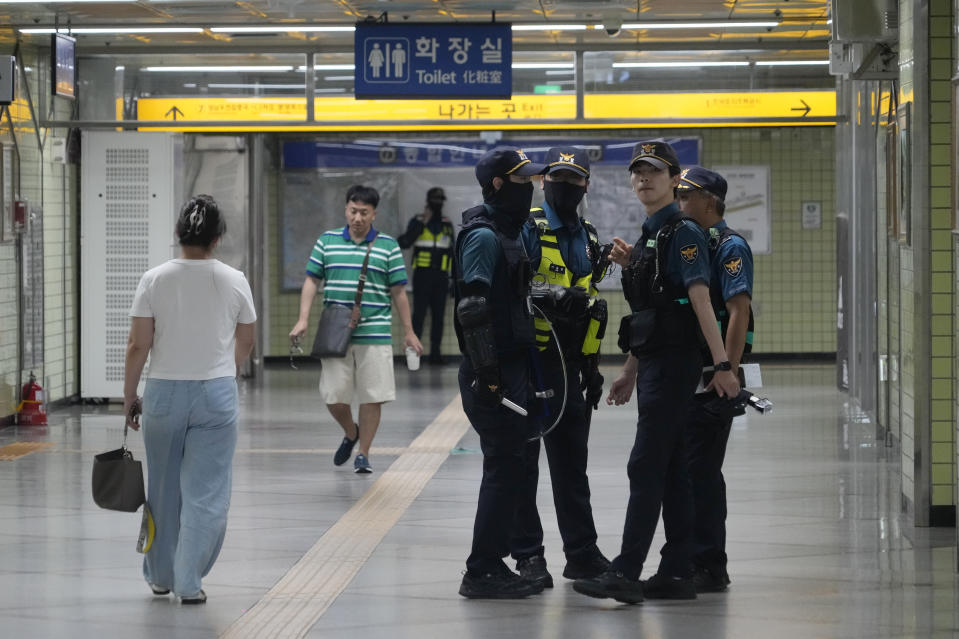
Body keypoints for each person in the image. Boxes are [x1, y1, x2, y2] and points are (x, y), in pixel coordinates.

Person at [572, 140, 739, 605]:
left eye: (655, 172)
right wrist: (629, 370)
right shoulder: (650, 236)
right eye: (638, 172)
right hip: (656, 363)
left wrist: (722, 364)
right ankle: (677, 570)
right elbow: (654, 311)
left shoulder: (682, 232)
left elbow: (701, 301)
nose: (644, 179)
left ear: (673, 180)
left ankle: (626, 571)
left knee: (646, 464)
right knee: (670, 469)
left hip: (676, 366)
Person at [123, 194, 256, 604]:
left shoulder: (155, 279)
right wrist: (224, 372)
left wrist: (130, 396)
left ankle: (160, 576)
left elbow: (137, 345)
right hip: (215, 394)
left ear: (178, 234)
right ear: (217, 238)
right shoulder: (235, 279)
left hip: (163, 391)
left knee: (162, 489)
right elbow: (246, 339)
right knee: (207, 492)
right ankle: (189, 581)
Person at [510, 146, 611, 589]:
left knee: (573, 467)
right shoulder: (527, 228)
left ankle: (582, 554)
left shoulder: (587, 234)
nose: (565, 187)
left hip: (573, 364)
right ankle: (529, 556)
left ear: (586, 184)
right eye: (557, 178)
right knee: (524, 465)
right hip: (533, 362)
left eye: (574, 180)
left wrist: (591, 366)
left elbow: (589, 299)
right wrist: (550, 296)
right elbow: (512, 290)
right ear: (542, 181)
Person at [454, 147, 545, 599]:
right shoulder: (485, 237)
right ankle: (482, 569)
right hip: (491, 373)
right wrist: (488, 374)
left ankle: (493, 562)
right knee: (503, 467)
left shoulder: (514, 232)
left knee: (511, 466)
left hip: (511, 367)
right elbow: (472, 308)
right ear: (496, 184)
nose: (529, 186)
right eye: (521, 179)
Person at [289, 185, 422, 474]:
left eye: (364, 212)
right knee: (334, 395)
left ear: (374, 213)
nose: (357, 217)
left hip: (375, 331)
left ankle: (364, 453)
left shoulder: (388, 246)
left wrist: (409, 332)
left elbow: (399, 292)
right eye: (353, 211)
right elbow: (312, 281)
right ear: (345, 210)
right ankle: (351, 432)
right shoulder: (327, 242)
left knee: (373, 395)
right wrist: (303, 318)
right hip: (335, 332)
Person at [676, 166, 755, 593]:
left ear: (710, 201)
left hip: (713, 378)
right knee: (689, 472)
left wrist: (728, 370)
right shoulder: (695, 244)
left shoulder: (729, 246)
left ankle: (709, 562)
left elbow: (738, 310)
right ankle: (694, 557)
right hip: (692, 375)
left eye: (686, 196)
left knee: (702, 473)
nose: (680, 203)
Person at [397, 187, 455, 365]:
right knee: (418, 316)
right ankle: (414, 355)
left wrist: (454, 279)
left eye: (440, 201)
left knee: (439, 317)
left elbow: (452, 252)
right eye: (435, 200)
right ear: (428, 201)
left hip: (441, 277)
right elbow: (404, 242)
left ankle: (435, 355)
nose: (438, 204)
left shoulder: (446, 224)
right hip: (422, 276)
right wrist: (424, 221)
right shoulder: (418, 221)